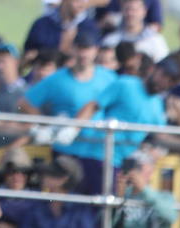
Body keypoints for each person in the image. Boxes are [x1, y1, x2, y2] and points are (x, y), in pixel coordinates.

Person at [19, 35, 115, 193]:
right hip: (65, 151)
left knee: (95, 201)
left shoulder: (108, 78)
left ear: (95, 51)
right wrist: (46, 124)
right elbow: (25, 103)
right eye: (80, 48)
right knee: (62, 199)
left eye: (88, 49)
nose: (83, 54)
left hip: (96, 151)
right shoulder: (57, 78)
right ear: (73, 50)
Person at [24, 0, 100, 60]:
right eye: (77, 0)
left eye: (83, 0)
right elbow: (27, 56)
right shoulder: (42, 25)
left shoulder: (90, 28)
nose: (81, 5)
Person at [100, 0, 170, 62]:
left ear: (144, 12)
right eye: (127, 9)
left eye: (134, 10)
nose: (130, 13)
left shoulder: (155, 41)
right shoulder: (111, 40)